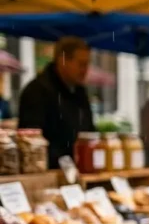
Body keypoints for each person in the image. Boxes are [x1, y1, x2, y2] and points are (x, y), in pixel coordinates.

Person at [18, 36, 94, 167]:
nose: (85, 70)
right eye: (81, 64)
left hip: (80, 169)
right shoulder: (37, 91)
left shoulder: (79, 91)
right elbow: (31, 139)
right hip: (48, 171)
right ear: (63, 60)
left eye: (87, 64)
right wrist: (64, 161)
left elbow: (89, 131)